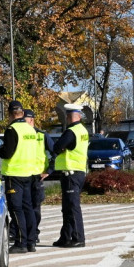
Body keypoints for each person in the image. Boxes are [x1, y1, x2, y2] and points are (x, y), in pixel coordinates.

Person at [0, 100, 39, 253]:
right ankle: (31, 241)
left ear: (9, 114)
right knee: (28, 208)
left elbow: (7, 153)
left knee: (16, 209)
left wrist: (1, 149)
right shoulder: (30, 130)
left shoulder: (12, 129)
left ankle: (21, 242)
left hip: (14, 174)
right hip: (28, 173)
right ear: (22, 113)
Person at [51, 103, 89, 248]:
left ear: (68, 117)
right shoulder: (82, 130)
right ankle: (66, 237)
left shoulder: (71, 132)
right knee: (67, 206)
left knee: (72, 207)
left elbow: (57, 147)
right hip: (78, 172)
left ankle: (78, 237)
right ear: (78, 115)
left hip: (71, 173)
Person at [25, 108, 52, 246]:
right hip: (23, 176)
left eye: (25, 120)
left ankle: (34, 234)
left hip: (37, 176)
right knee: (23, 207)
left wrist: (49, 170)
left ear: (32, 120)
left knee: (35, 208)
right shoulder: (20, 134)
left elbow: (55, 152)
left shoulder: (42, 135)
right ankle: (24, 235)